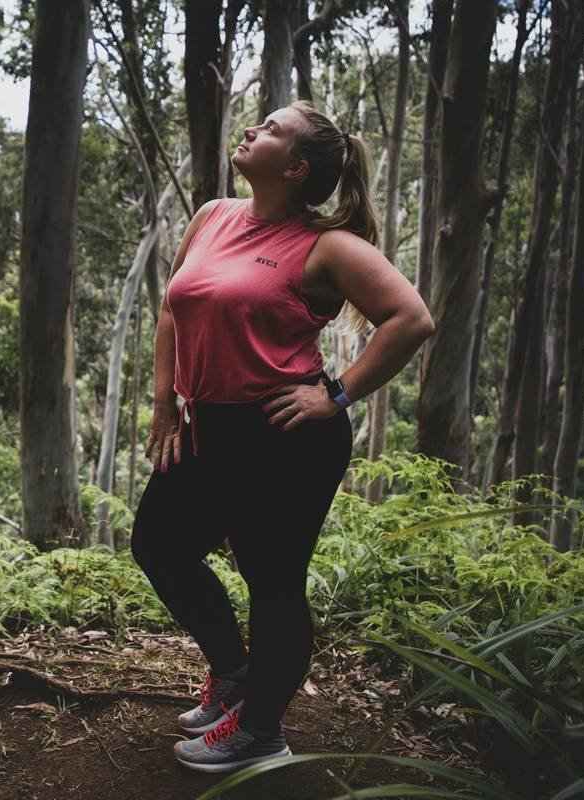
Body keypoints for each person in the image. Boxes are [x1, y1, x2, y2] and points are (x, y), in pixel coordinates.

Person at [129, 100, 435, 774]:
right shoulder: (213, 216)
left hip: (283, 433)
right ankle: (235, 674)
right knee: (158, 544)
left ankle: (262, 729)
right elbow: (172, 310)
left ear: (295, 167)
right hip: (205, 423)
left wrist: (337, 392)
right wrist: (164, 405)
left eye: (269, 130)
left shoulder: (327, 246)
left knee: (272, 582)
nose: (249, 129)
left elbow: (410, 319)